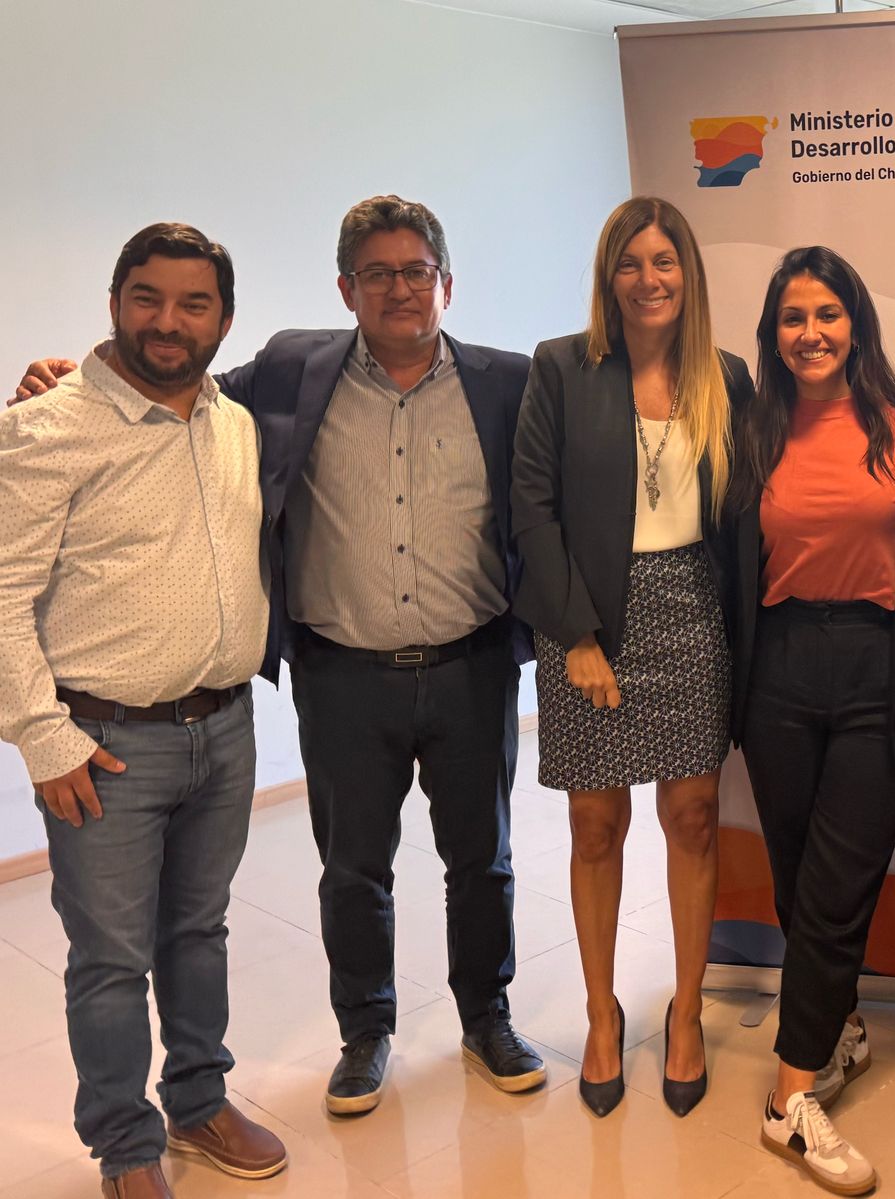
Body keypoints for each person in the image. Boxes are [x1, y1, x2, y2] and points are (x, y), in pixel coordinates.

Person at [16, 195, 543, 1116]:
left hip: (473, 666)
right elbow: (165, 374)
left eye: (415, 271)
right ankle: (365, 1030)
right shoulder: (293, 371)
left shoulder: (510, 382)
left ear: (447, 284)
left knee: (483, 860)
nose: (398, 289)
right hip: (343, 678)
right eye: (375, 274)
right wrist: (62, 374)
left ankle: (486, 1014)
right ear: (345, 288)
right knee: (353, 869)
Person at [0, 224, 286, 1199]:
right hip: (105, 745)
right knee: (112, 960)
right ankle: (126, 1147)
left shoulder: (233, 422)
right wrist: (44, 737)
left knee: (198, 931)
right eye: (148, 297)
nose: (169, 321)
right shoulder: (49, 426)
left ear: (223, 319)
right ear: (115, 301)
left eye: (193, 303)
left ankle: (199, 1098)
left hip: (226, 729)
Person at [511, 195, 751, 1119]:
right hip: (590, 619)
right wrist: (576, 636)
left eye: (665, 261)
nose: (649, 279)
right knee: (594, 827)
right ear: (608, 276)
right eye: (630, 262)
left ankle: (687, 1011)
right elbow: (531, 508)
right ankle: (602, 1012)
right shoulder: (562, 367)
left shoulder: (724, 376)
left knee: (693, 819)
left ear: (688, 272)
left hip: (691, 612)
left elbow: (745, 516)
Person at [728, 246, 895, 1195]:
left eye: (827, 314)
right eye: (792, 317)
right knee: (796, 868)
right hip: (776, 668)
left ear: (856, 324)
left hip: (873, 669)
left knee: (838, 884)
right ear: (772, 333)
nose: (810, 333)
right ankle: (839, 1025)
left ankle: (789, 1099)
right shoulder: (752, 429)